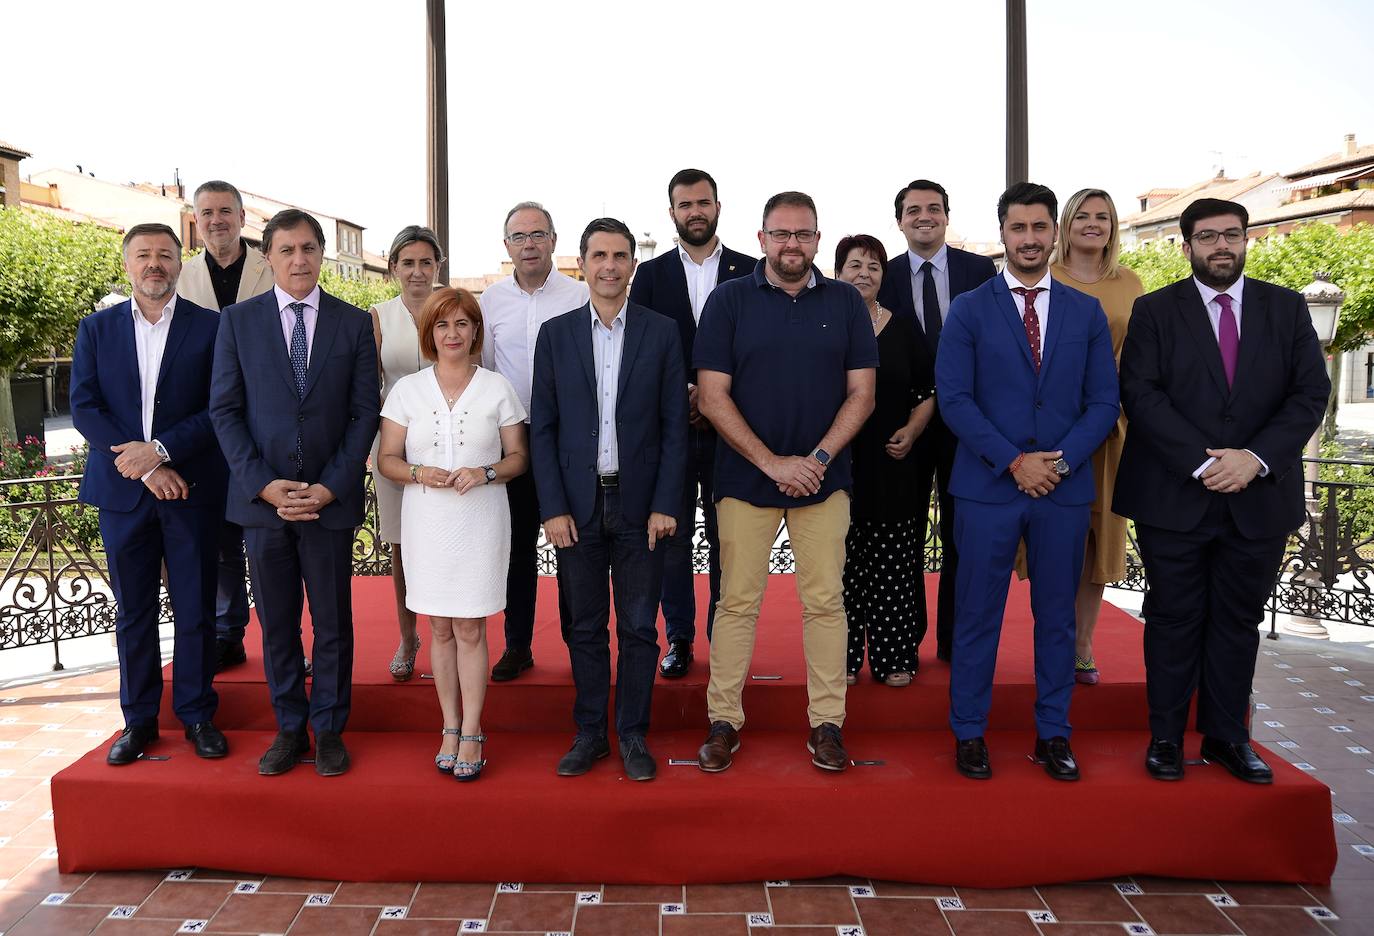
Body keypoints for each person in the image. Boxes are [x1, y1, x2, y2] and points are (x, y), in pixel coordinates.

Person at [1114, 198, 1329, 784]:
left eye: (1231, 235)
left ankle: (1227, 737)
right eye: (1208, 237)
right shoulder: (1154, 311)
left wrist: (1253, 460)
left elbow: (1310, 393)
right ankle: (1165, 738)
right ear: (1187, 246)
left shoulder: (1286, 308)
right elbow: (1141, 392)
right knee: (1172, 618)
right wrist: (1202, 463)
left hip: (1258, 497)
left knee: (1239, 620)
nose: (1221, 246)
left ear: (1245, 241)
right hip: (1173, 496)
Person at [935, 182, 1118, 782]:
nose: (1031, 238)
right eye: (1019, 228)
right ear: (1003, 234)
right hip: (987, 488)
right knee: (977, 616)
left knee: (1058, 618)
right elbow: (955, 399)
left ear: (1053, 232)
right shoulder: (969, 309)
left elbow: (1103, 401)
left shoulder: (1085, 312)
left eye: (1041, 227)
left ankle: (1054, 733)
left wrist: (1057, 464)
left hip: (1062, 490)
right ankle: (969, 732)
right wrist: (1015, 462)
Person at [694, 192, 877, 773]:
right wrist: (772, 463)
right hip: (745, 479)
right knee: (736, 603)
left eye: (802, 234)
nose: (791, 244)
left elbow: (863, 394)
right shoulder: (728, 300)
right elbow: (712, 396)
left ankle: (828, 724)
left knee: (825, 603)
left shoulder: (846, 302)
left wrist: (816, 458)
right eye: (781, 234)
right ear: (762, 239)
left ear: (818, 240)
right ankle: (723, 722)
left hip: (825, 478)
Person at [210, 208, 380, 778]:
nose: (299, 259)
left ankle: (329, 729)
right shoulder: (238, 323)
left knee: (333, 624)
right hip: (265, 507)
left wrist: (331, 486)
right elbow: (225, 412)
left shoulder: (353, 324)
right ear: (269, 258)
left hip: (328, 505)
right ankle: (289, 728)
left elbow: (363, 414)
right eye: (287, 250)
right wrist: (263, 484)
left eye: (309, 248)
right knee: (277, 625)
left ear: (322, 254)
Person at [531, 218, 688, 782]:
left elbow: (675, 427)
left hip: (641, 505)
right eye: (599, 256)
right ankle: (592, 732)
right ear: (582, 263)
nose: (610, 266)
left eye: (620, 256)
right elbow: (543, 429)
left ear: (632, 265)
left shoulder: (661, 332)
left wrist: (667, 502)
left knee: (640, 627)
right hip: (577, 506)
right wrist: (553, 508)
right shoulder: (555, 335)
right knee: (585, 627)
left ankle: (633, 733)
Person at [71, 223, 228, 764]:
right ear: (127, 264)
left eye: (165, 254)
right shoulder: (96, 329)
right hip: (123, 494)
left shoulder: (211, 328)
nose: (154, 264)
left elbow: (219, 407)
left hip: (190, 488)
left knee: (196, 608)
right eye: (143, 255)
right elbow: (84, 407)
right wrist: (143, 466)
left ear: (180, 264)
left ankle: (198, 715)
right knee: (133, 612)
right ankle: (138, 721)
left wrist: (160, 450)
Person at [377, 287, 528, 781]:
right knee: (439, 627)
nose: (452, 333)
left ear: (475, 330)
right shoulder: (407, 391)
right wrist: (419, 472)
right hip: (427, 521)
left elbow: (518, 458)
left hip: (480, 519)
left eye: (462, 323)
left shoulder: (498, 388)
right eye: (442, 324)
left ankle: (473, 729)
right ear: (430, 333)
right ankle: (449, 724)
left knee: (470, 627)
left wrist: (485, 472)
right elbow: (388, 460)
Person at [628, 169, 754, 677]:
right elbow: (641, 348)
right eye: (685, 204)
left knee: (730, 540)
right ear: (672, 212)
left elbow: (758, 349)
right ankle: (679, 638)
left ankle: (725, 640)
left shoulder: (751, 271)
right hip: (671, 430)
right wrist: (684, 394)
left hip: (735, 432)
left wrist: (716, 396)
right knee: (673, 540)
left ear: (718, 207)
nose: (695, 212)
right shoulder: (650, 276)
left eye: (703, 202)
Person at [877, 180, 996, 666]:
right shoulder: (882, 275)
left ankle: (953, 640)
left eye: (933, 208)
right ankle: (905, 641)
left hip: (968, 427)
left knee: (961, 536)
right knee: (903, 535)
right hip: (904, 428)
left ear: (947, 216)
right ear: (900, 221)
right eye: (913, 210)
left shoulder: (979, 271)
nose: (923, 216)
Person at [479, 202, 589, 681]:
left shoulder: (580, 295)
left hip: (568, 437)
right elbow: (485, 370)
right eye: (519, 237)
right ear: (507, 246)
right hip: (513, 440)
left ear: (553, 241)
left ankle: (579, 645)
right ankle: (517, 645)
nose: (529, 245)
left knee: (573, 545)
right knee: (517, 547)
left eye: (537, 235)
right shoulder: (490, 301)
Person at [1045, 189, 1144, 685]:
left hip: (1113, 425)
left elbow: (1143, 354)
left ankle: (1083, 643)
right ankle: (1054, 637)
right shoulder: (1046, 276)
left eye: (1102, 216)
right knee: (1056, 539)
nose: (1092, 224)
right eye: (1081, 215)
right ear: (1065, 224)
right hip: (1056, 426)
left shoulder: (1131, 283)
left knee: (1098, 539)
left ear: (1113, 226)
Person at [177, 180, 275, 672]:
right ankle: (227, 633)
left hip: (263, 420)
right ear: (196, 220)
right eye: (207, 212)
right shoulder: (181, 275)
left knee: (271, 540)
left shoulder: (271, 267)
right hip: (203, 422)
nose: (216, 220)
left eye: (224, 211)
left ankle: (284, 640)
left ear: (241, 217)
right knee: (218, 539)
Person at [833, 235, 935, 687]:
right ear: (838, 272)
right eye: (855, 265)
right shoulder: (824, 325)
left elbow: (927, 391)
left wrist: (912, 431)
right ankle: (842, 658)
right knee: (841, 568)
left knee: (893, 567)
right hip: (837, 467)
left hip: (893, 466)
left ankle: (895, 656)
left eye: (873, 267)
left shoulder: (904, 327)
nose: (864, 274)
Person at [370, 225, 445, 681]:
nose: (417, 272)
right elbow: (370, 387)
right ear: (394, 267)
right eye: (408, 263)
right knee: (402, 546)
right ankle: (407, 636)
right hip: (394, 446)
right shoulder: (378, 317)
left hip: (449, 442)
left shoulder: (454, 308)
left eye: (426, 262)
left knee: (446, 541)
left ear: (438, 265)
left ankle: (446, 637)